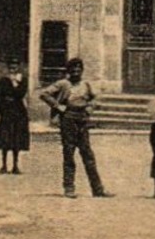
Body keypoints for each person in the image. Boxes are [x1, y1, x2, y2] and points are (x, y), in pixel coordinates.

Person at [39, 57, 110, 199]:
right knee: (69, 153)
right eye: (73, 69)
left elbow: (95, 98)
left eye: (79, 69)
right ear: (68, 71)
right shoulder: (63, 84)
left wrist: (90, 108)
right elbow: (44, 93)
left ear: (82, 70)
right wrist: (58, 106)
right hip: (68, 119)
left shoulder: (86, 85)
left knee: (88, 155)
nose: (76, 71)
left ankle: (98, 189)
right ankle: (69, 188)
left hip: (82, 119)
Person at [0, 61, 31, 174]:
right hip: (6, 111)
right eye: (11, 67)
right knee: (5, 138)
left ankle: (15, 165)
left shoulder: (22, 80)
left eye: (15, 67)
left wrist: (15, 83)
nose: (13, 69)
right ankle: (3, 165)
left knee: (17, 138)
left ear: (18, 67)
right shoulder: (3, 81)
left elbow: (20, 94)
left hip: (18, 111)